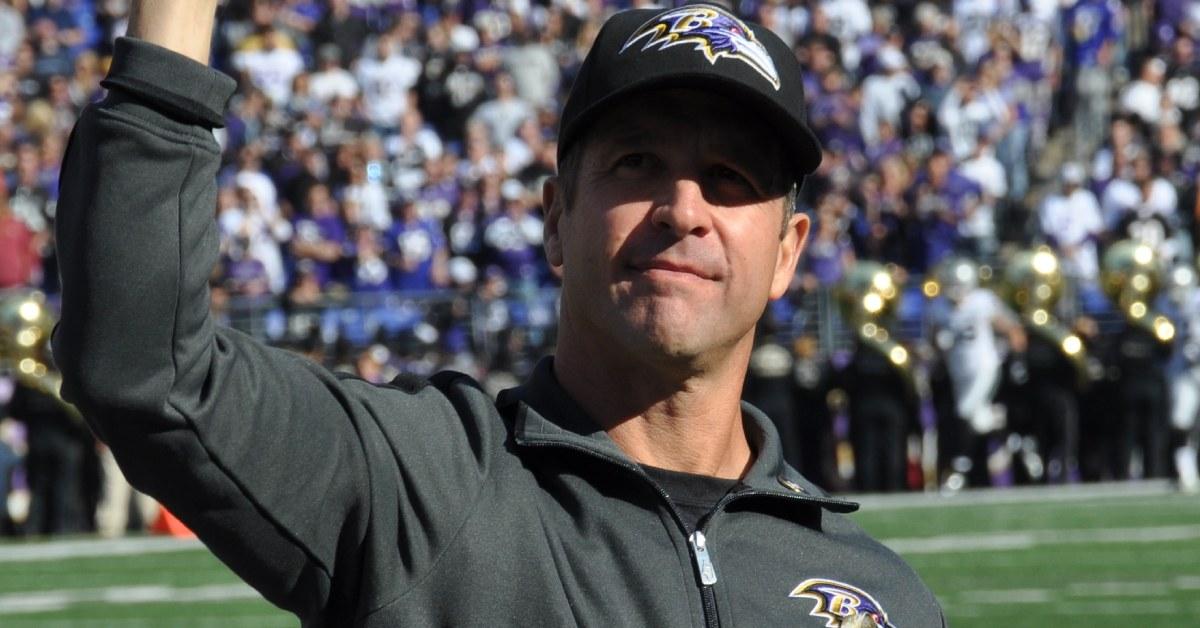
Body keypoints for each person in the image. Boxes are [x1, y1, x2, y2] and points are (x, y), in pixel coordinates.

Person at [53, 2, 944, 626]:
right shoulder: (424, 486)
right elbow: (149, 368)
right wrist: (171, 44)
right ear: (556, 220)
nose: (684, 209)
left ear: (788, 252)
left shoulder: (884, 599)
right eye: (636, 163)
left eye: (730, 179)